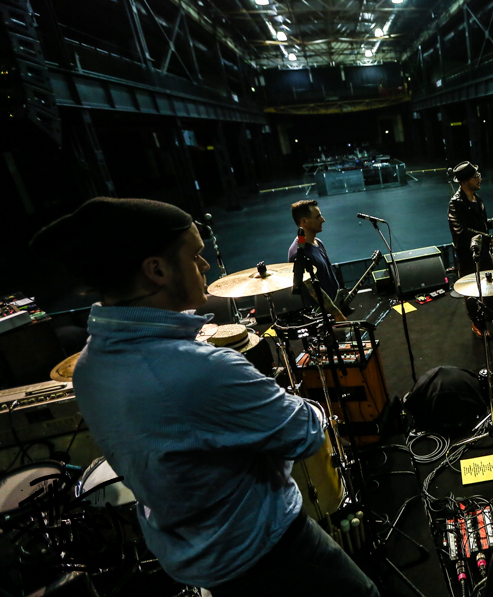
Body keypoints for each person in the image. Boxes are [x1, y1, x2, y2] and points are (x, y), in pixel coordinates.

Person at [29, 198, 378, 597]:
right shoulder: (201, 370)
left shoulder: (89, 367)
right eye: (195, 256)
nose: (205, 266)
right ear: (156, 270)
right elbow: (306, 434)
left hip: (203, 563)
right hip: (273, 552)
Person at [447, 161, 493, 336]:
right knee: (472, 290)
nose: (480, 179)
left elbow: (476, 224)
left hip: (483, 251)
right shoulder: (456, 203)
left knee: (488, 284)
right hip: (468, 255)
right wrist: (490, 238)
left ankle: (492, 313)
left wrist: (490, 224)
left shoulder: (477, 199)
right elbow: (462, 231)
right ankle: (477, 322)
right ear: (464, 181)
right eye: (475, 177)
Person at [288, 199, 340, 309]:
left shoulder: (318, 242)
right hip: (324, 315)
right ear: (304, 222)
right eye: (318, 217)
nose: (323, 220)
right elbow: (311, 291)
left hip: (336, 307)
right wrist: (336, 313)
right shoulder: (298, 254)